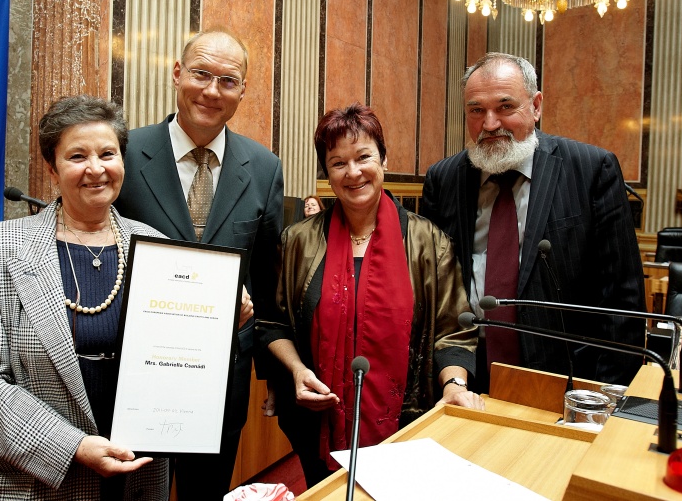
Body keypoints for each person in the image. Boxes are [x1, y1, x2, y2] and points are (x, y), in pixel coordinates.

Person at [0, 95, 171, 499]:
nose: (96, 169)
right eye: (77, 156)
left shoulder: (156, 247)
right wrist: (74, 447)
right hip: (31, 485)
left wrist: (221, 323)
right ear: (52, 168)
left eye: (108, 153)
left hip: (136, 480)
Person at [257, 102, 483, 487]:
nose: (353, 172)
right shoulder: (299, 241)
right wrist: (297, 371)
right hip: (317, 425)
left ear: (383, 159)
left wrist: (453, 385)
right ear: (326, 173)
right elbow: (273, 323)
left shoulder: (429, 242)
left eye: (364, 157)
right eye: (338, 162)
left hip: (409, 424)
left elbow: (453, 330)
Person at [114, 29, 284, 500]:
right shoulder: (124, 151)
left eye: (227, 80)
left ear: (243, 90)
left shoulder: (265, 166)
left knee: (205, 492)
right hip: (136, 368)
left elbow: (267, 278)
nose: (212, 90)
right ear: (176, 73)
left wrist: (270, 376)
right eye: (200, 74)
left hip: (224, 372)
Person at [421, 52, 646, 392]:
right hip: (464, 377)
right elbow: (434, 292)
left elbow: (622, 299)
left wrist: (607, 395)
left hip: (566, 377)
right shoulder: (444, 179)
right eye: (476, 110)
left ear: (536, 106)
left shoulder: (589, 170)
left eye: (505, 107)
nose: (490, 123)